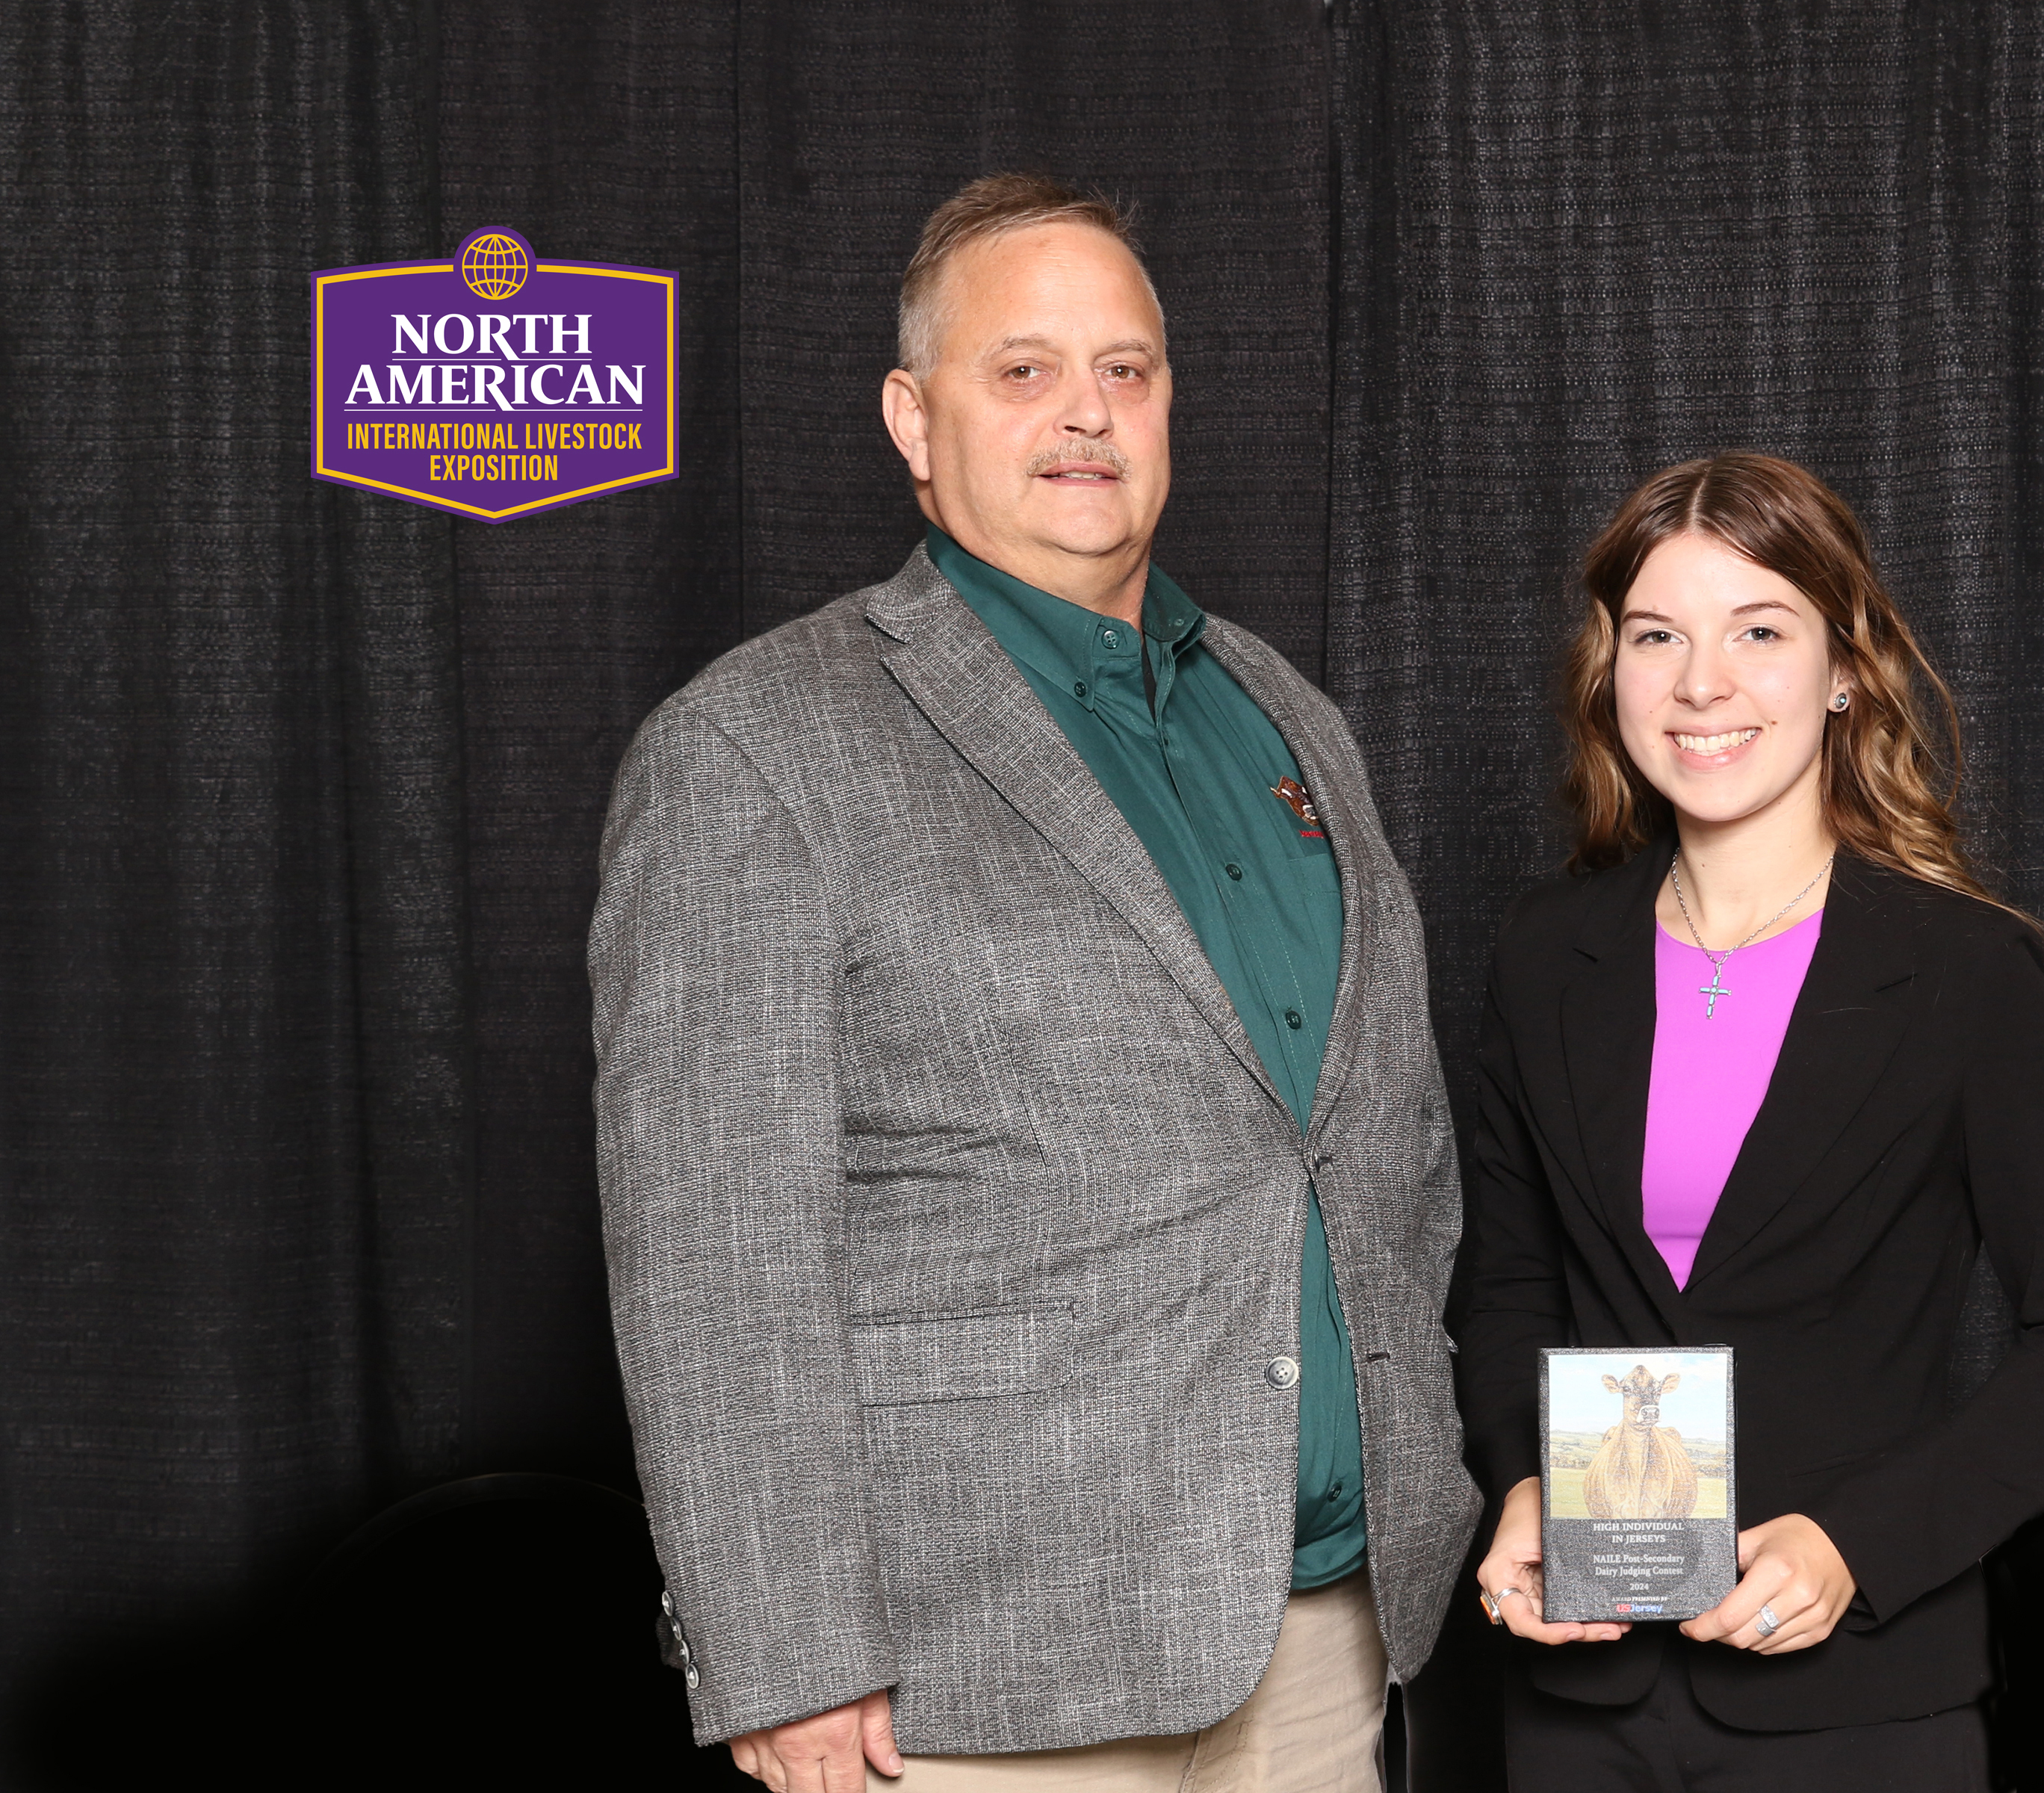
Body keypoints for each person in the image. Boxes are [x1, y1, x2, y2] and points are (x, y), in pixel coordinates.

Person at [590, 173, 1477, 1793]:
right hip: (977, 1682)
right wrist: (785, 1649)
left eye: (1125, 369)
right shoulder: (755, 748)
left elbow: (1386, 1145)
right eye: (1026, 371)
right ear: (913, 420)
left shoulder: (1284, 713)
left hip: (1324, 1643)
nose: (1088, 414)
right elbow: (714, 1260)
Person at [1458, 453, 2044, 1789]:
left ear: (1845, 669)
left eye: (1759, 632)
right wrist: (1520, 1487)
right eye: (1657, 636)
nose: (1702, 683)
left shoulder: (1964, 974)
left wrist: (1859, 1546)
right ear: (1611, 673)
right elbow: (1507, 1285)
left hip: (1859, 1707)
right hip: (1580, 1697)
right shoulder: (1547, 956)